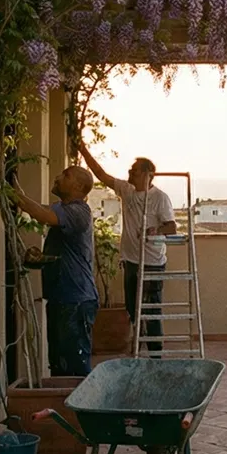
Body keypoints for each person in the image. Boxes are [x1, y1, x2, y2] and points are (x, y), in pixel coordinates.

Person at [78, 146, 176, 354]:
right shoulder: (126, 189)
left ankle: (156, 353)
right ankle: (138, 347)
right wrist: (83, 150)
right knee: (133, 309)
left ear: (149, 174)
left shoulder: (160, 198)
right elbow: (101, 175)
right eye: (130, 170)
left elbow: (172, 227)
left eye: (135, 171)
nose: (130, 173)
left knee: (151, 309)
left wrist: (155, 230)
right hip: (131, 260)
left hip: (152, 262)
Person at [10, 165, 98, 376]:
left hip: (75, 301)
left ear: (78, 186)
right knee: (60, 365)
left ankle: (82, 399)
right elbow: (42, 212)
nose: (58, 177)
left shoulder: (79, 212)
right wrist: (43, 259)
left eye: (65, 175)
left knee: (75, 368)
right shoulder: (63, 208)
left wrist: (12, 193)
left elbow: (42, 214)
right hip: (62, 298)